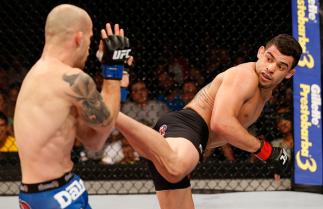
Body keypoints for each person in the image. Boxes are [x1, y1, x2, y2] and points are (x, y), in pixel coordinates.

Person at [116, 34, 302, 209]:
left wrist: (273, 158)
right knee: (176, 167)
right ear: (260, 52)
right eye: (269, 58)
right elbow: (221, 123)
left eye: (281, 66)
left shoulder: (266, 91)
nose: (271, 68)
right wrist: (268, 153)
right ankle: (114, 115)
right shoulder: (244, 76)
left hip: (194, 138)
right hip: (188, 125)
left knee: (176, 173)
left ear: (289, 74)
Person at [14, 4, 131, 209]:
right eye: (90, 39)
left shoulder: (38, 75)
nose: (89, 48)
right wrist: (113, 68)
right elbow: (105, 124)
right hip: (51, 197)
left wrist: (117, 79)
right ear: (78, 38)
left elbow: (95, 140)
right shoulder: (72, 80)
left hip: (63, 187)